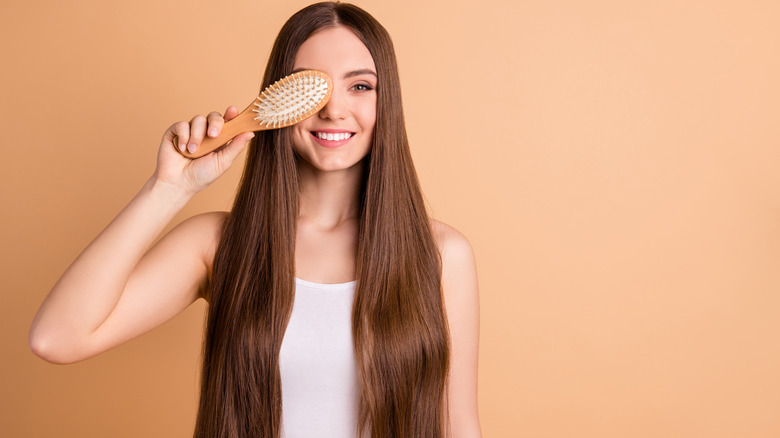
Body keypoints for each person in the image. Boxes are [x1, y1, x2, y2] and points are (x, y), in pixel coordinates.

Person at [29, 2, 480, 437]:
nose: (333, 110)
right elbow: (57, 338)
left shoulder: (442, 256)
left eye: (360, 86)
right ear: (280, 98)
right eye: (311, 86)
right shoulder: (218, 244)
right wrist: (169, 189)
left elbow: (459, 427)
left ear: (388, 102)